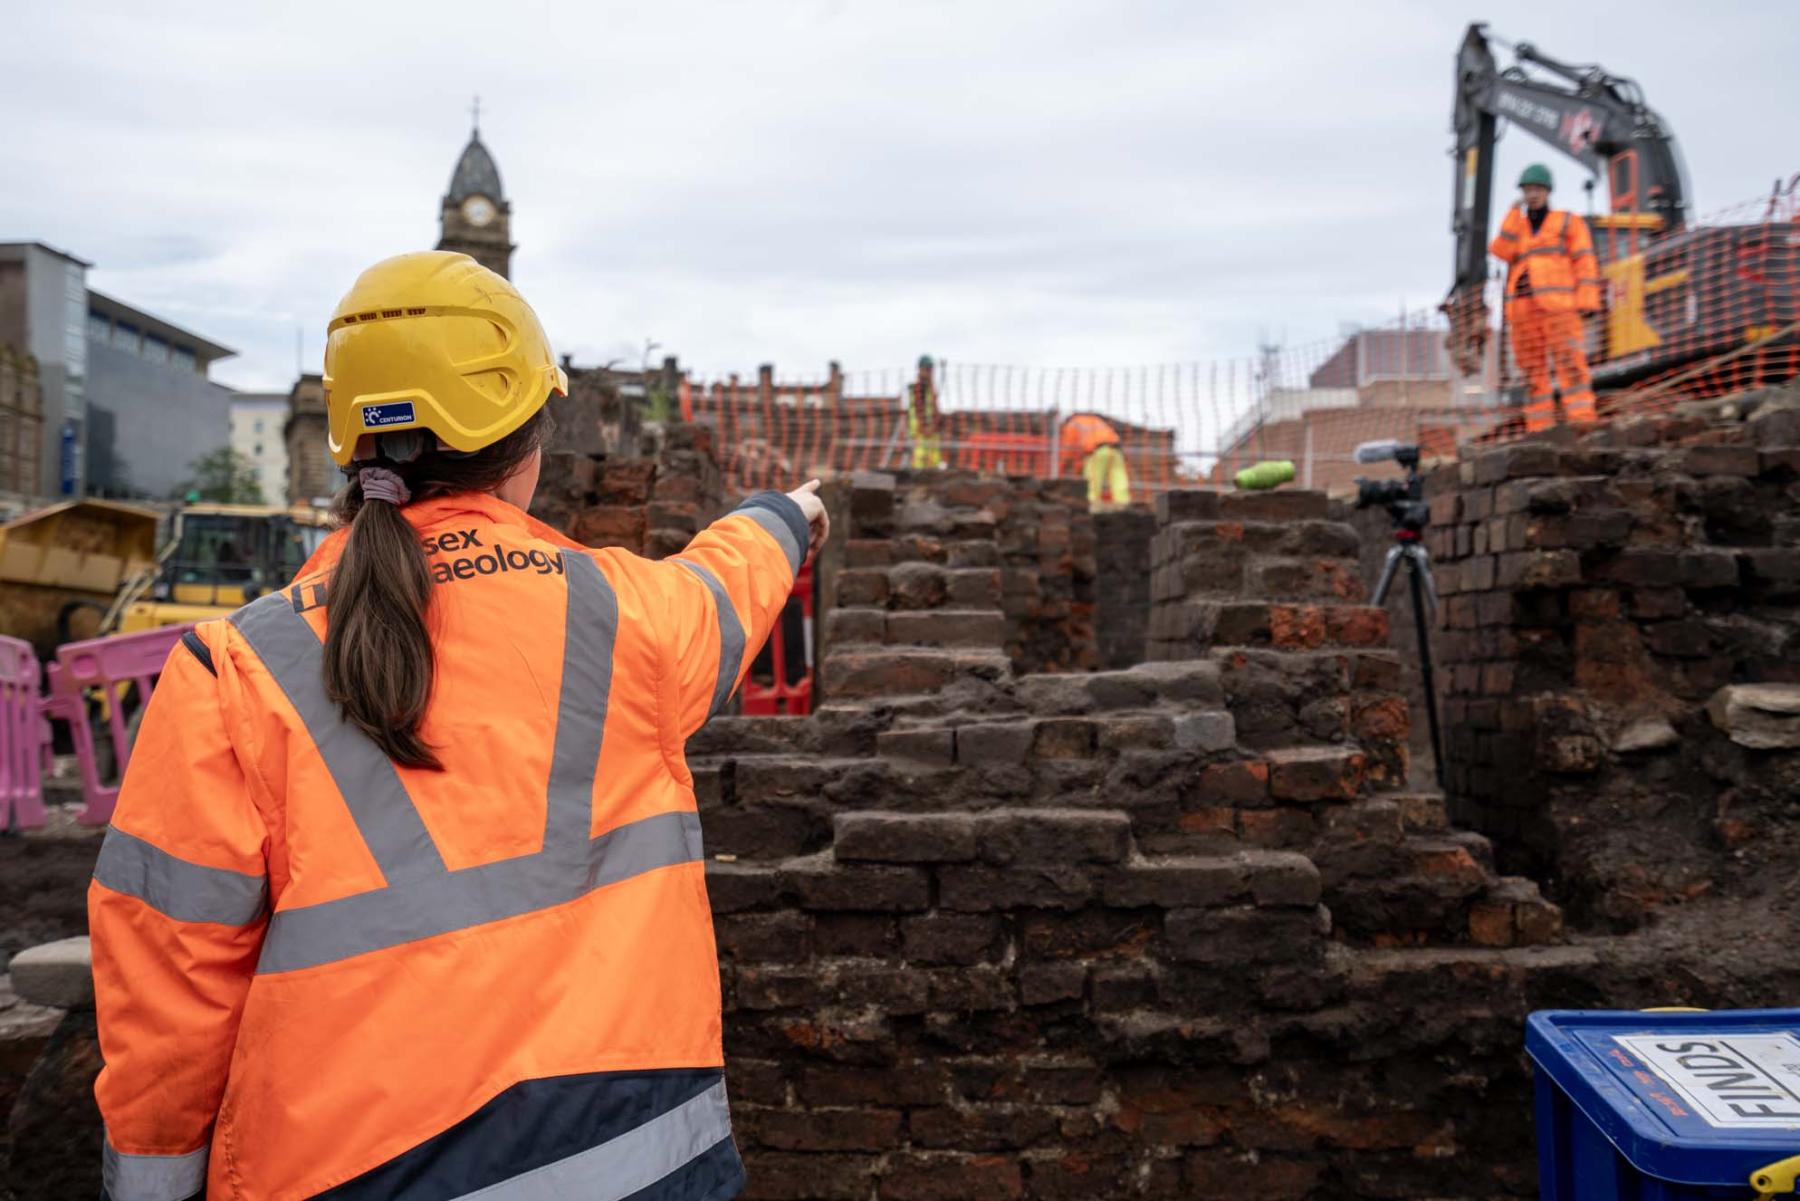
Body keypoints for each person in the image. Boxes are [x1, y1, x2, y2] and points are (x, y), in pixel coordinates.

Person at [87, 251, 828, 1201]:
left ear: (350, 445)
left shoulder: (235, 668)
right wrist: (788, 512)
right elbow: (727, 581)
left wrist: (150, 1189)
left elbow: (168, 987)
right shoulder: (628, 616)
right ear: (526, 444)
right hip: (637, 1163)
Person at [1490, 163, 1603, 432]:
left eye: (1538, 189)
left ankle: (1582, 424)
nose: (1533, 195)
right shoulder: (1518, 226)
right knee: (1532, 372)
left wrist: (1587, 300)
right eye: (1528, 190)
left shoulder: (1567, 222)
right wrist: (1511, 212)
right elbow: (1501, 250)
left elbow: (1584, 261)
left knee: (1570, 365)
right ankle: (1539, 428)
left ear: (1548, 191)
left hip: (1559, 308)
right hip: (1523, 311)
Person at [1059, 411, 1131, 509]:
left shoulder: (1072, 423)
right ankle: (1124, 507)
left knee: (1092, 484)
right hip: (1115, 450)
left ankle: (1092, 508)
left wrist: (1061, 470)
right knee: (1119, 481)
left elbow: (1069, 450)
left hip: (1096, 452)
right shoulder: (1096, 420)